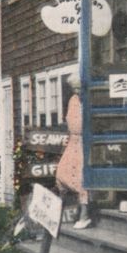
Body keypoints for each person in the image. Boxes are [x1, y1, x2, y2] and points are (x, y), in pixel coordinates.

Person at [55, 73, 92, 229]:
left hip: (86, 142)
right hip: (73, 142)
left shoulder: (89, 101)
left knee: (81, 178)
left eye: (79, 88)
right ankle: (62, 212)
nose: (76, 91)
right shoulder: (73, 100)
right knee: (62, 174)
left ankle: (84, 215)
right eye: (74, 88)